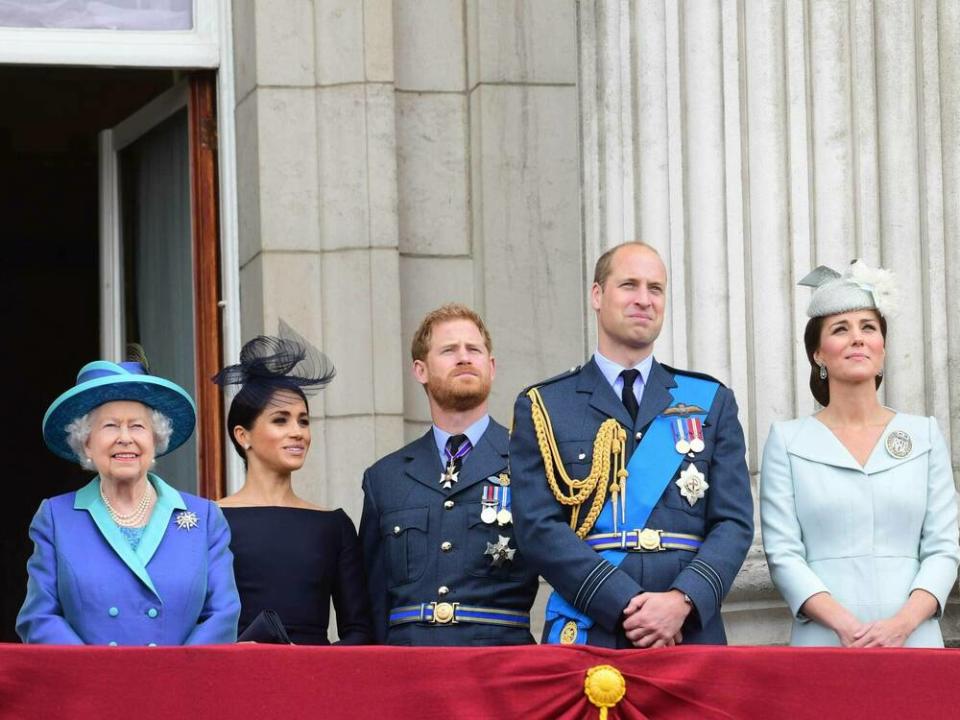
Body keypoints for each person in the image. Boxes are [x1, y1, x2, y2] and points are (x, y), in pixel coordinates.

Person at [510, 242, 754, 648]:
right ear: (597, 295)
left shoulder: (711, 400)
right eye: (629, 285)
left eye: (655, 289)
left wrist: (681, 600)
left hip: (687, 630)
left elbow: (734, 522)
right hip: (593, 625)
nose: (644, 299)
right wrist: (626, 602)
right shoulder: (545, 405)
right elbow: (537, 528)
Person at [760, 260, 960, 647]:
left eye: (868, 327)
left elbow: (942, 547)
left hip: (914, 640)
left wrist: (901, 625)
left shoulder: (924, 435)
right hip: (825, 640)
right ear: (818, 354)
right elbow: (783, 554)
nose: (857, 338)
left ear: (882, 348)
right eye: (840, 329)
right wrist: (847, 628)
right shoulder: (787, 441)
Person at [18, 356, 240, 645]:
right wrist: (98, 674)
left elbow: (223, 615)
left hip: (178, 684)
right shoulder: (56, 517)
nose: (125, 438)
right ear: (86, 443)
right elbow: (39, 618)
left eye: (137, 426)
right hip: (91, 685)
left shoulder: (205, 517)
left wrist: (176, 674)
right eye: (110, 426)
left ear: (156, 439)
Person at [360, 304, 539, 645]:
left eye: (474, 349)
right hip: (409, 671)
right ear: (420, 370)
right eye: (449, 350)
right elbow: (373, 600)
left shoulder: (531, 462)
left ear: (491, 366)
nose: (464, 358)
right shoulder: (385, 478)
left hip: (500, 667)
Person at [214, 324, 372, 645]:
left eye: (303, 420)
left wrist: (315, 667)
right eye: (280, 420)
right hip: (233, 681)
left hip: (315, 684)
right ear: (243, 435)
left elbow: (360, 630)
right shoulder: (210, 520)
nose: (298, 431)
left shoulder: (334, 525)